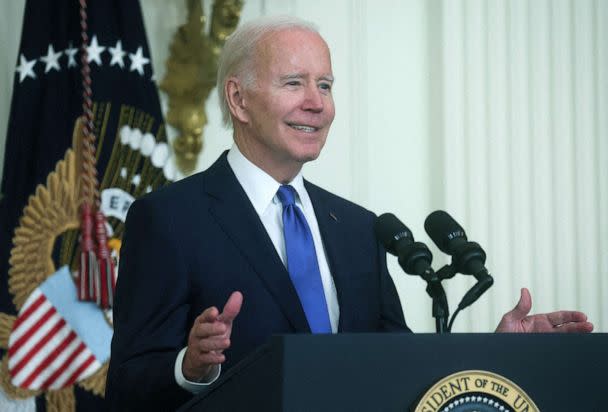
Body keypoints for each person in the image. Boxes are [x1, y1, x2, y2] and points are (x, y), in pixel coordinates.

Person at [105, 16, 593, 411]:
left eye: (326, 84)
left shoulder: (360, 228)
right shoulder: (169, 219)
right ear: (239, 99)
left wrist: (496, 352)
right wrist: (191, 367)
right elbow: (127, 387)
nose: (317, 103)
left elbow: (398, 370)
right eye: (295, 83)